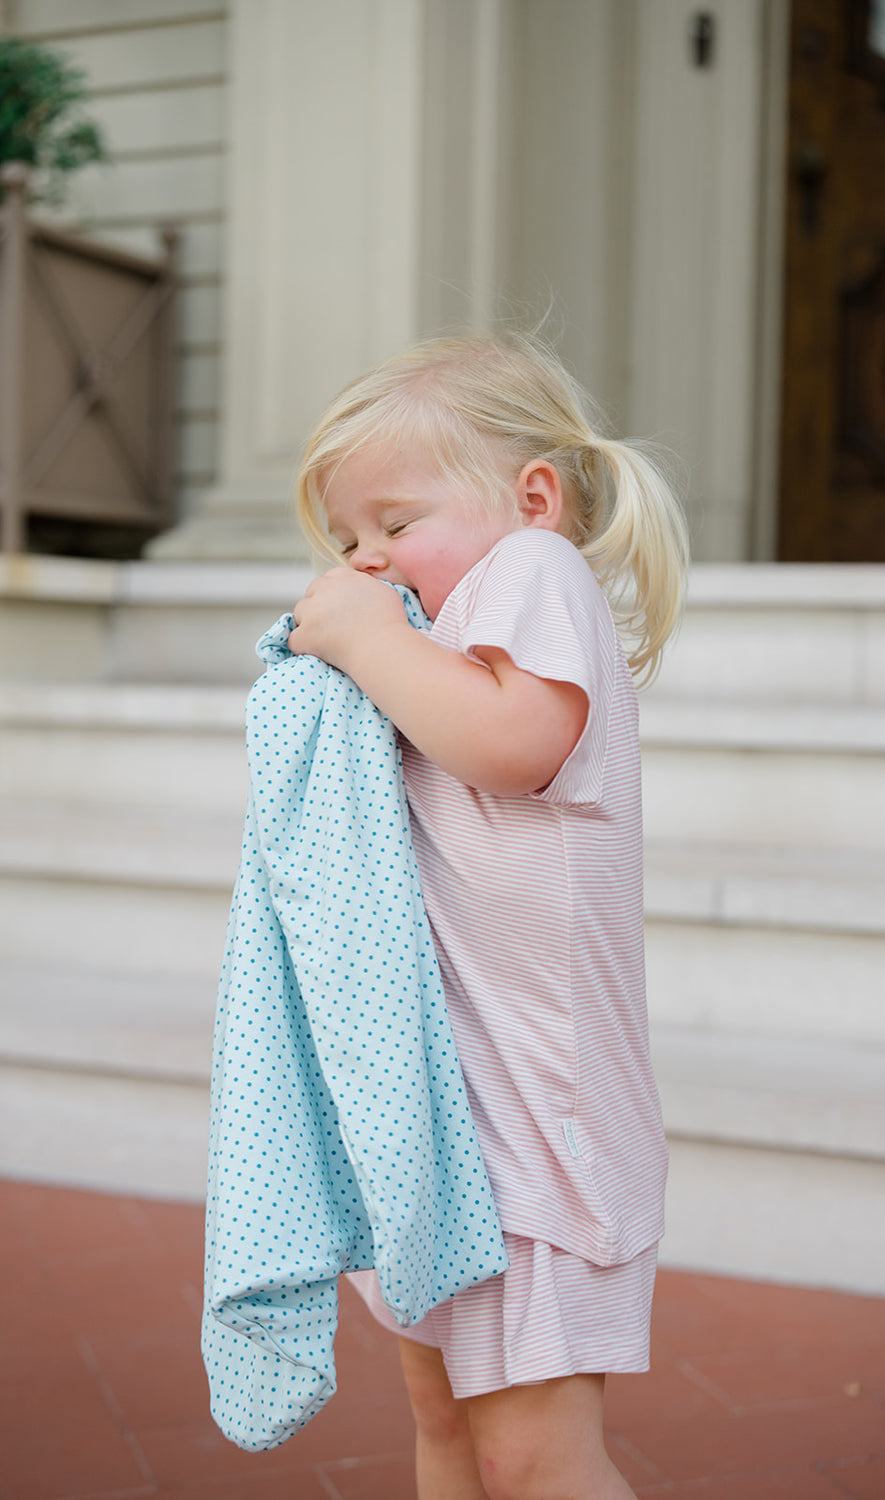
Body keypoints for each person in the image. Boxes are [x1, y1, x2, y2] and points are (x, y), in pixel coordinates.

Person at [289, 332, 688, 1500]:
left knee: (532, 1458)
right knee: (443, 1425)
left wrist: (366, 642)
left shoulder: (533, 570)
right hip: (442, 1131)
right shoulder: (436, 640)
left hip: (540, 1137)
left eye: (395, 523)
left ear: (531, 498)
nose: (370, 561)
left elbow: (515, 749)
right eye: (350, 540)